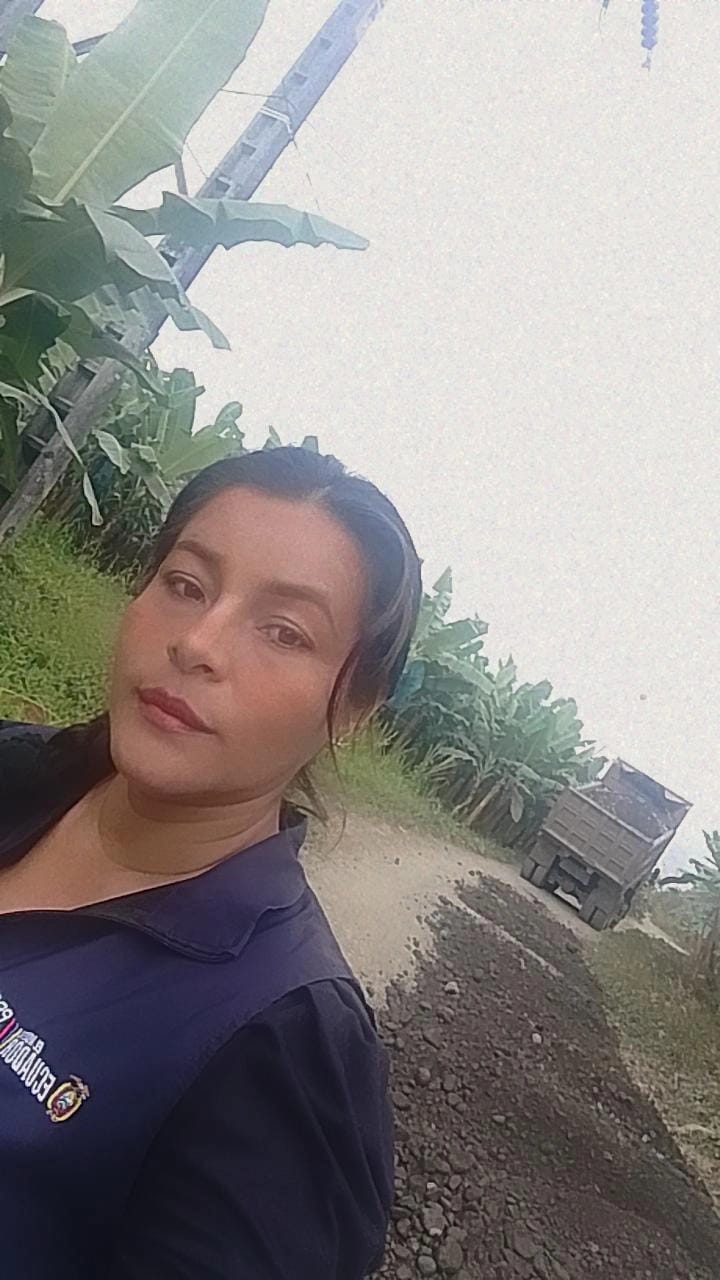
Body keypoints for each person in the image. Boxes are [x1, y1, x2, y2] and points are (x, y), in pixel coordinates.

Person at [0, 447, 423, 1279]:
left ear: (353, 708)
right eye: (186, 584)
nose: (197, 642)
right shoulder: (20, 770)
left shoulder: (282, 1053)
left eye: (284, 632)